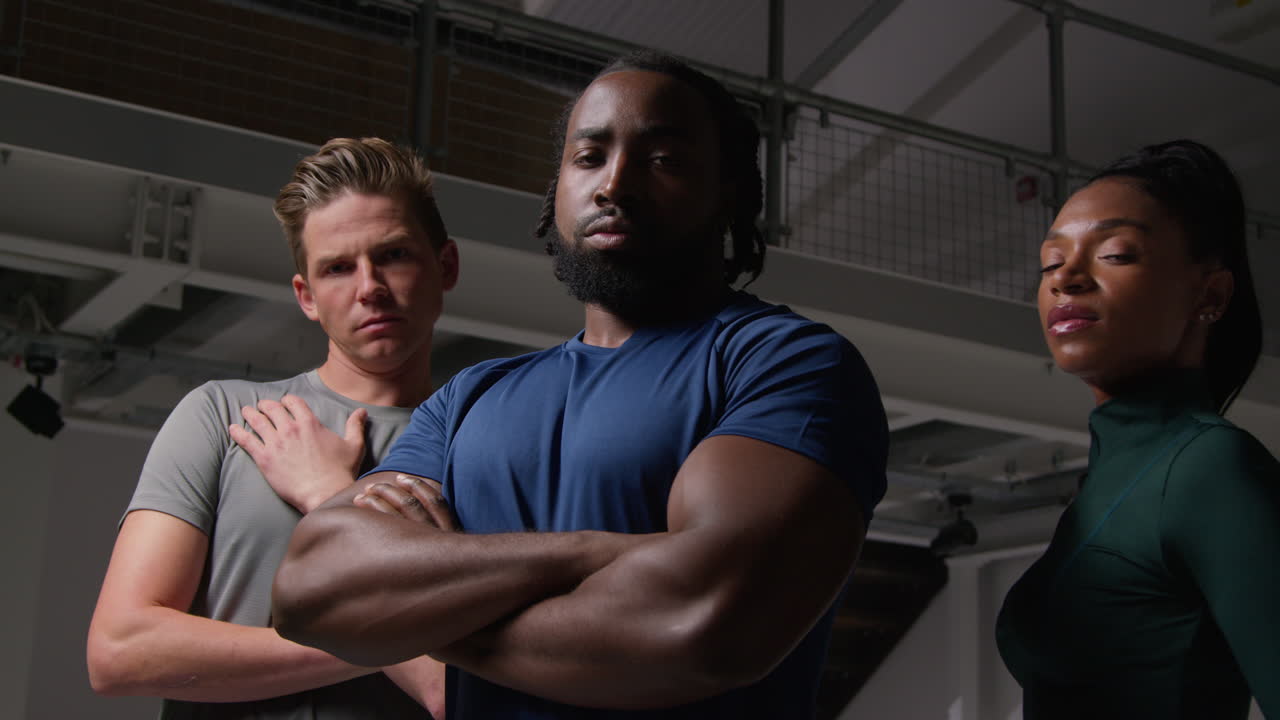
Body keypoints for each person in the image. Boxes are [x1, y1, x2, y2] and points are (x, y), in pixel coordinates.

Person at [267, 51, 888, 719]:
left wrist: (417, 615)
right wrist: (596, 554)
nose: (613, 185)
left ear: (728, 189)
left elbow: (702, 629)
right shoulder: (469, 397)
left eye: (663, 160)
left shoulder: (788, 363)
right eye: (589, 157)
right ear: (556, 188)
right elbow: (312, 592)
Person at [86, 137, 459, 719]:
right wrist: (388, 643)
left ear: (446, 266)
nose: (369, 287)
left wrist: (329, 499)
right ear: (306, 297)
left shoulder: (486, 442)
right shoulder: (223, 416)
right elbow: (119, 651)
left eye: (393, 255)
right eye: (338, 267)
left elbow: (452, 695)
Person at [996, 140, 1279, 718]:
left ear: (1211, 294)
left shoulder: (1209, 467)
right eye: (1051, 262)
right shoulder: (1109, 482)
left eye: (1116, 254)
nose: (1066, 279)